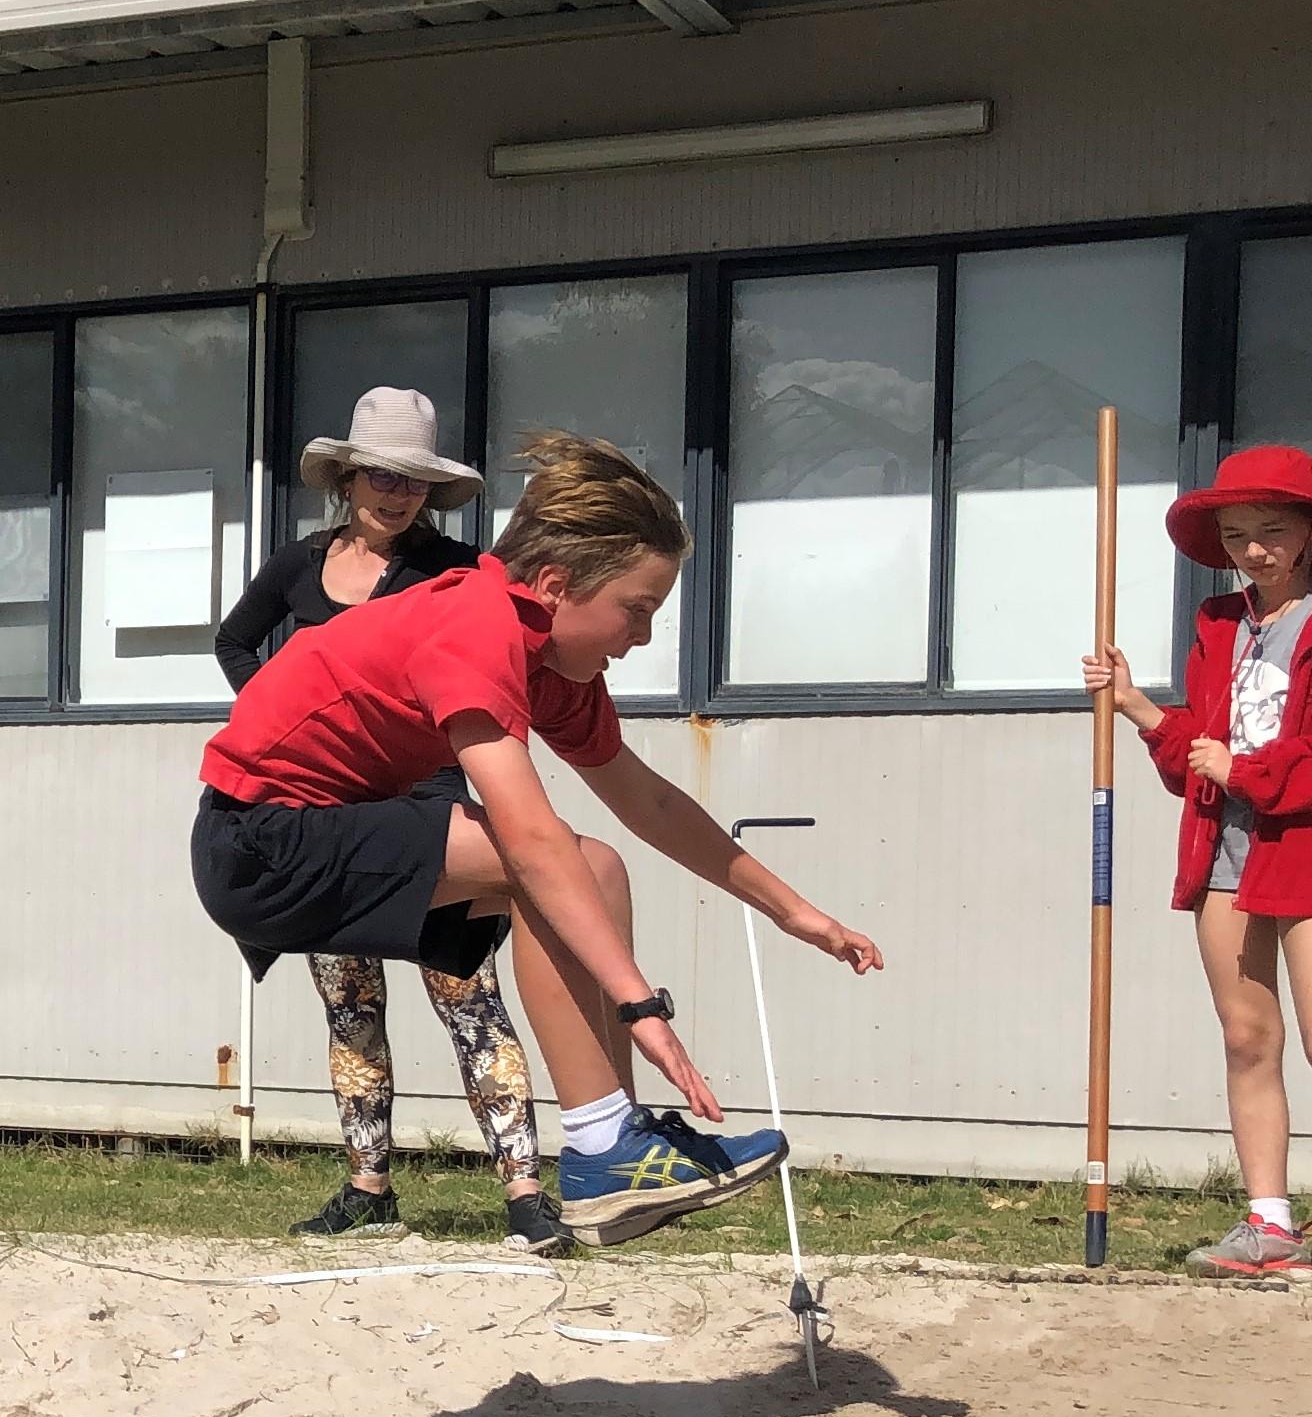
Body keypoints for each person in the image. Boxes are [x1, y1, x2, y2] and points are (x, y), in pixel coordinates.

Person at [193, 429, 883, 1249]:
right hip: (257, 843)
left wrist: (791, 911)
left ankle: (610, 1145)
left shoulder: (552, 665)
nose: (644, 638)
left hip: (322, 835)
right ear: (553, 586)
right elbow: (526, 836)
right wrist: (640, 1004)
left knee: (599, 864)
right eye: (638, 610)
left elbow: (650, 804)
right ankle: (600, 1146)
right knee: (554, 860)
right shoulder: (474, 623)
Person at [1083, 444, 1312, 1292]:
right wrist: (1139, 706)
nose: (1250, 550)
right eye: (1233, 534)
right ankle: (1269, 1225)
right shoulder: (1219, 625)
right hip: (1222, 850)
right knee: (1247, 1037)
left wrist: (1244, 771)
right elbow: (1195, 760)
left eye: (1269, 532)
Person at [216, 385, 563, 1252]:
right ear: (347, 476)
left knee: (468, 995)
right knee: (350, 1004)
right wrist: (283, 722)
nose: (394, 490)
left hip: (431, 804)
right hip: (328, 816)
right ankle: (368, 1187)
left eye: (411, 477)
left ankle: (525, 1192)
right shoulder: (295, 566)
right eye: (378, 472)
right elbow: (234, 640)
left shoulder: (454, 572)